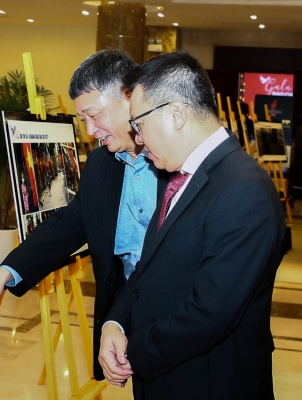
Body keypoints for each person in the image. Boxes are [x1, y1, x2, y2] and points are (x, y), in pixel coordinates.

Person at [0, 49, 169, 381]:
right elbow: (69, 224)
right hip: (131, 322)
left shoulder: (178, 164)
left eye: (93, 114)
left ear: (129, 96)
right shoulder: (103, 164)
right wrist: (2, 275)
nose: (90, 131)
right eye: (82, 120)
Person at [98, 51, 285, 399]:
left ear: (177, 114)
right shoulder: (179, 175)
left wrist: (133, 352)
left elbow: (211, 312)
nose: (138, 139)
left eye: (139, 124)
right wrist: (115, 322)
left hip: (209, 382)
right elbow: (147, 268)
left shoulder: (243, 190)